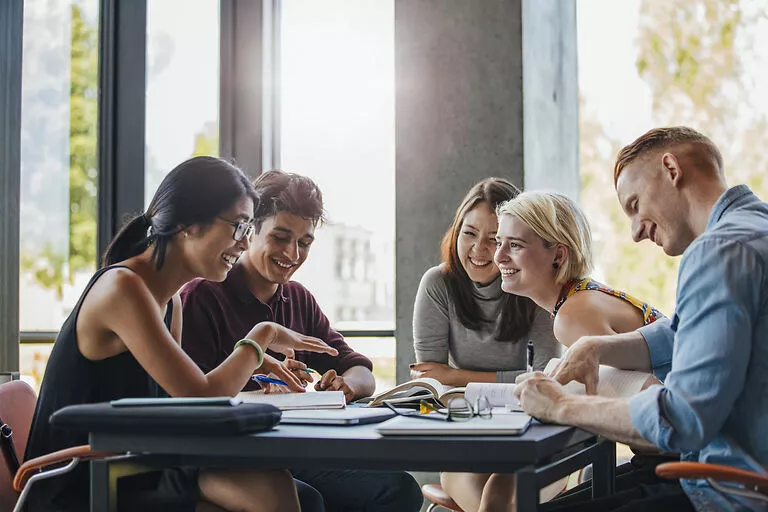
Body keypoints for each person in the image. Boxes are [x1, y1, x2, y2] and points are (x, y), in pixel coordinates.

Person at [23, 156, 339, 512]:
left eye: (249, 228)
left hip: (136, 464)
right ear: (188, 224)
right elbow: (202, 397)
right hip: (82, 479)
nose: (244, 242)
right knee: (273, 492)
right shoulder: (123, 288)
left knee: (288, 491)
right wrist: (261, 336)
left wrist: (252, 361)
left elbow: (184, 406)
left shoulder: (170, 301)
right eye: (239, 227)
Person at [516, 126, 768, 511]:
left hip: (729, 491)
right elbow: (687, 331)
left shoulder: (718, 251)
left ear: (671, 169)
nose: (635, 232)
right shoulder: (754, 232)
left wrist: (560, 406)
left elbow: (681, 419)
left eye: (634, 204)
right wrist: (597, 347)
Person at [180, 170, 423, 512]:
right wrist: (261, 390)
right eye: (280, 238)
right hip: (228, 458)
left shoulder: (298, 298)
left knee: (399, 490)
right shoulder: (203, 296)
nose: (293, 254)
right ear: (249, 231)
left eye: (304, 243)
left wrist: (346, 385)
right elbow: (193, 401)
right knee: (306, 500)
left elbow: (360, 370)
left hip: (291, 452)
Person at [412, 178, 562, 512]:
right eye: (469, 233)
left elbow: (545, 383)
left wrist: (456, 377)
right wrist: (507, 381)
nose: (479, 249)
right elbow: (432, 385)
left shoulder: (536, 287)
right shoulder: (437, 284)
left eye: (494, 239)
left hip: (530, 435)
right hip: (466, 435)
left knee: (511, 500)